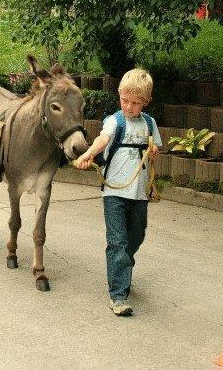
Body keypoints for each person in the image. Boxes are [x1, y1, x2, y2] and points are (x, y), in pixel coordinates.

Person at [74, 68, 162, 317]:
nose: (128, 106)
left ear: (146, 102)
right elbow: (103, 139)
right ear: (119, 96)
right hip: (114, 192)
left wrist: (154, 152)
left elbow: (156, 149)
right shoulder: (115, 121)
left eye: (135, 103)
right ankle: (118, 296)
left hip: (139, 193)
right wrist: (88, 154)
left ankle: (119, 269)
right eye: (124, 100)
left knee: (136, 236)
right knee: (118, 242)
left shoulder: (150, 123)